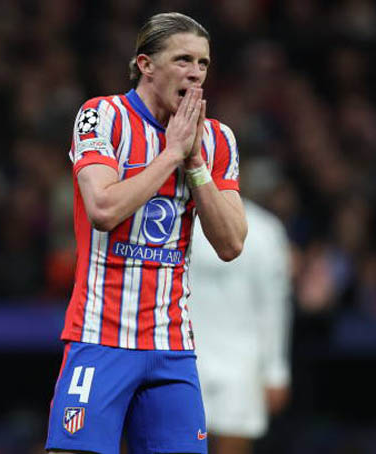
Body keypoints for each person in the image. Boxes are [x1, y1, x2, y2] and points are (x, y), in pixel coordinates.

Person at [45, 12, 247, 454]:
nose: (195, 73)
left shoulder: (218, 140)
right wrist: (171, 154)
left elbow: (232, 243)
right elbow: (102, 209)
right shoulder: (102, 116)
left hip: (172, 347)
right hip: (100, 337)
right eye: (183, 60)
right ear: (145, 64)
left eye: (203, 63)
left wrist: (194, 163)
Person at [190, 199, 292, 454]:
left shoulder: (264, 230)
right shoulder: (175, 219)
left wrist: (276, 370)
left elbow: (273, 305)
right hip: (184, 359)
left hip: (241, 365)